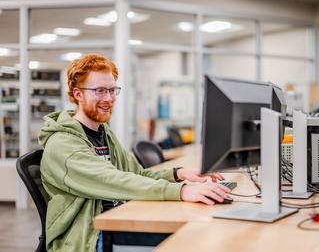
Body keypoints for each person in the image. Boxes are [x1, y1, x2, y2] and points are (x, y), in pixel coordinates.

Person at [39, 53, 231, 252]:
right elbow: (112, 180)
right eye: (100, 91)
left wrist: (178, 174)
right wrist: (181, 191)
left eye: (113, 90)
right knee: (191, 237)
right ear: (78, 94)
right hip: (86, 236)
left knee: (196, 227)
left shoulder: (104, 133)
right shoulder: (63, 144)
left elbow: (135, 174)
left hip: (116, 218)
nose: (109, 98)